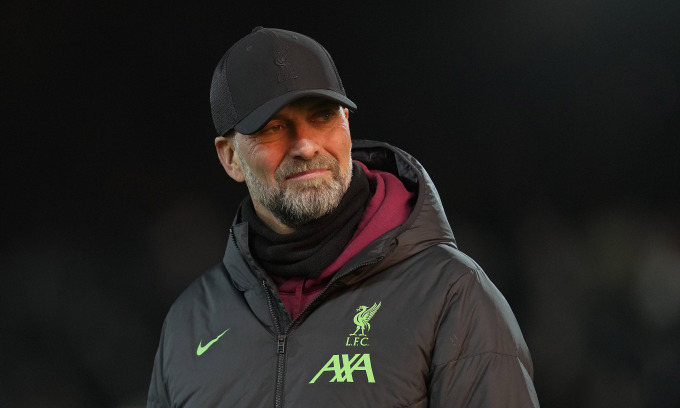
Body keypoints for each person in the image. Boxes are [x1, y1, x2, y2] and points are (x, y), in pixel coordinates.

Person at [147, 26, 539, 407]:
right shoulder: (189, 323)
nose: (304, 144)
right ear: (230, 157)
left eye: (322, 116)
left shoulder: (450, 293)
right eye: (274, 127)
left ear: (346, 124)